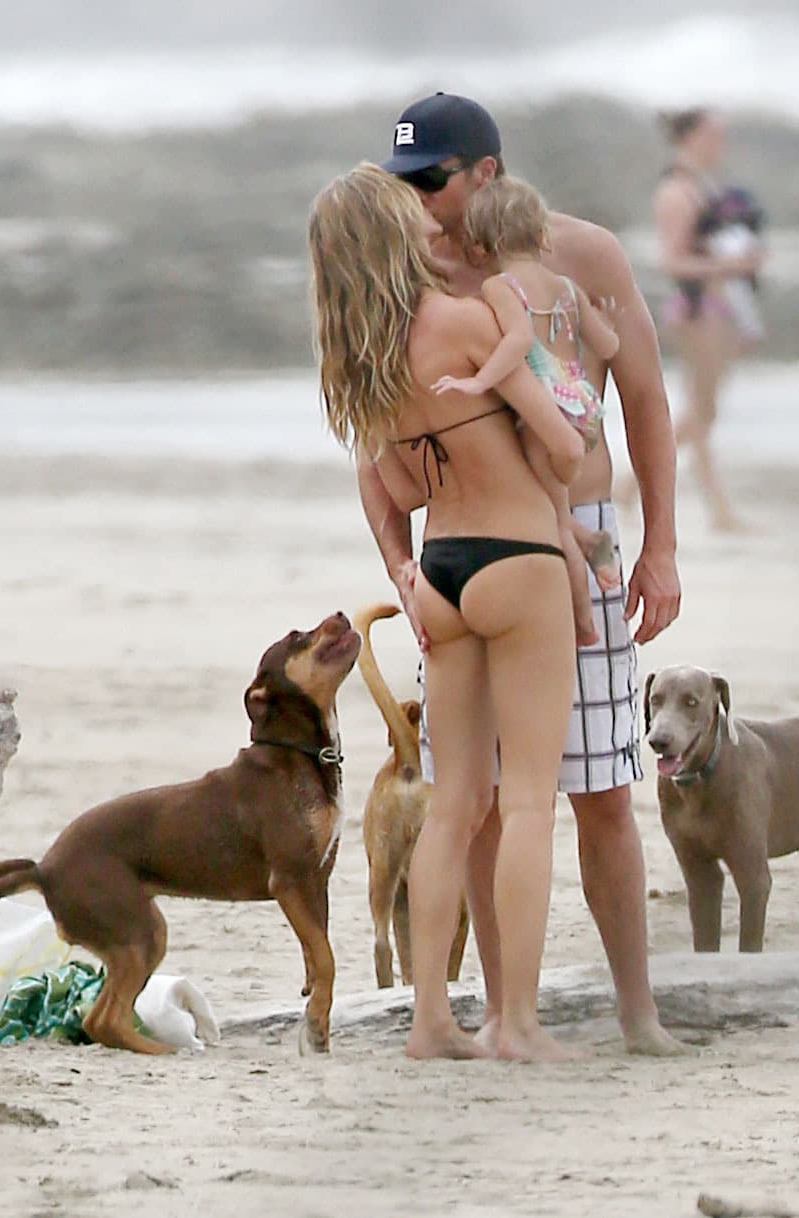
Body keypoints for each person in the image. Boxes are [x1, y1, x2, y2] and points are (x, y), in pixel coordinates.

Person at [358, 92, 685, 1056]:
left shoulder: (582, 255)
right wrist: (397, 563)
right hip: (467, 547)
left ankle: (636, 1013)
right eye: (405, 183)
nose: (420, 201)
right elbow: (369, 440)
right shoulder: (406, 269)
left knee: (603, 791)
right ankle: (505, 1013)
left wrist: (660, 546)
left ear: (486, 173)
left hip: (581, 537)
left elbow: (644, 399)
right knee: (478, 800)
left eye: (433, 180)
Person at [310, 163, 586, 1062]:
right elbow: (564, 450)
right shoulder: (464, 322)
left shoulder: (359, 367)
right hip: (518, 559)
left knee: (454, 804)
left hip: (441, 572)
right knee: (530, 801)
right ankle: (517, 1023)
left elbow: (399, 488)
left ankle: (430, 1019)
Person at [432, 174, 622, 647]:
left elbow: (518, 341)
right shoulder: (566, 287)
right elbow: (608, 345)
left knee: (553, 517)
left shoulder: (501, 286)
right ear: (542, 235)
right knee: (554, 503)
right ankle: (591, 540)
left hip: (546, 416)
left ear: (479, 246)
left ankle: (584, 623)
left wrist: (479, 380)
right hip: (583, 406)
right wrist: (603, 315)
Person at [653, 107, 766, 533]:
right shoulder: (677, 192)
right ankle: (718, 509)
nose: (721, 144)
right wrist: (730, 265)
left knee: (704, 411)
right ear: (691, 137)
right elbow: (672, 261)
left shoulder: (704, 187)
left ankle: (632, 488)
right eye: (713, 135)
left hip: (721, 309)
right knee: (701, 412)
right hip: (697, 308)